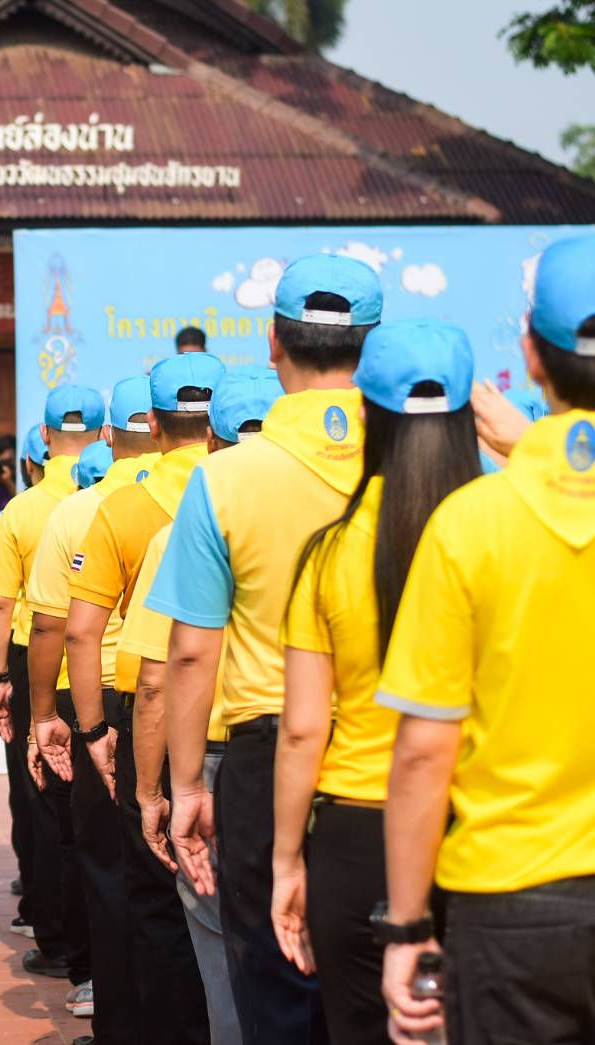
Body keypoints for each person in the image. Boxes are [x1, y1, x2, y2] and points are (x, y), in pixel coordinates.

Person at [147, 253, 382, 1045]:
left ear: (272, 342)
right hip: (392, 753)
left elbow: (189, 654)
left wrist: (186, 786)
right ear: (369, 345)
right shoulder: (428, 466)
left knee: (272, 995)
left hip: (262, 755)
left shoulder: (224, 480)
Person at [377, 234, 595, 1044]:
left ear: (532, 356)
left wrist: (404, 926)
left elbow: (425, 749)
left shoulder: (470, 524)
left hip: (511, 901)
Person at [266, 321, 479, 1045]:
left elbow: (302, 728)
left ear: (364, 414)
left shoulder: (328, 555)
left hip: (357, 839)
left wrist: (287, 859)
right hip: (484, 832)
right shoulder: (503, 533)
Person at [53, 354, 226, 1045]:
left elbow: (81, 631)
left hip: (144, 708)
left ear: (152, 424)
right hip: (245, 711)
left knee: (146, 886)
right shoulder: (246, 493)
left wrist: (93, 729)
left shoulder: (121, 508)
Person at [124, 365, 282, 1045]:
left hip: (228, 764)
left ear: (209, 443)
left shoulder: (196, 512)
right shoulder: (353, 498)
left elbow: (162, 674)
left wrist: (159, 787)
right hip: (349, 756)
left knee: (229, 956)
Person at [21, 374, 159, 1029]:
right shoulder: (214, 491)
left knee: (106, 860)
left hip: (101, 699)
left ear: (115, 434)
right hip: (204, 699)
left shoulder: (78, 510)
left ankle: (116, 1007)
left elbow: (55, 624)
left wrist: (51, 715)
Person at [0, 386, 104, 980]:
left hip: (39, 660)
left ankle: (57, 937)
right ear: (105, 432)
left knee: (43, 800)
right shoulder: (116, 495)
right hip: (114, 657)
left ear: (45, 438)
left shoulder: (22, 512)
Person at [0, 423, 49, 947]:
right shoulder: (109, 499)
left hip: (30, 657)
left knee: (34, 791)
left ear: (25, 465)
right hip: (128, 664)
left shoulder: (12, 517)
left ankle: (45, 907)